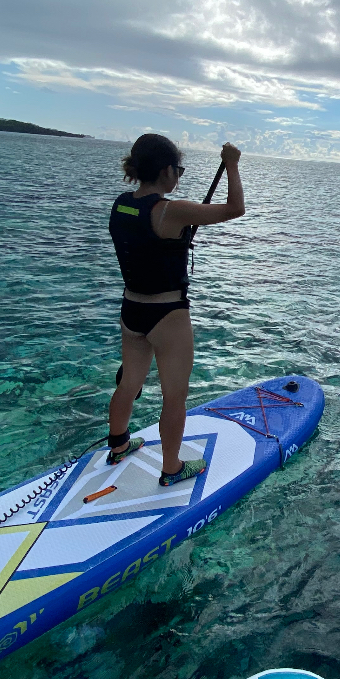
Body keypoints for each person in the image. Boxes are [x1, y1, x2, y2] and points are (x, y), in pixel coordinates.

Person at [105, 135, 245, 486]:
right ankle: (172, 468)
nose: (178, 176)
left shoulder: (121, 204)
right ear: (166, 170)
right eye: (178, 169)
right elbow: (234, 209)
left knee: (129, 383)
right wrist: (231, 164)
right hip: (167, 314)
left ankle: (119, 444)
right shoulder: (170, 210)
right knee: (175, 396)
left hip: (131, 310)